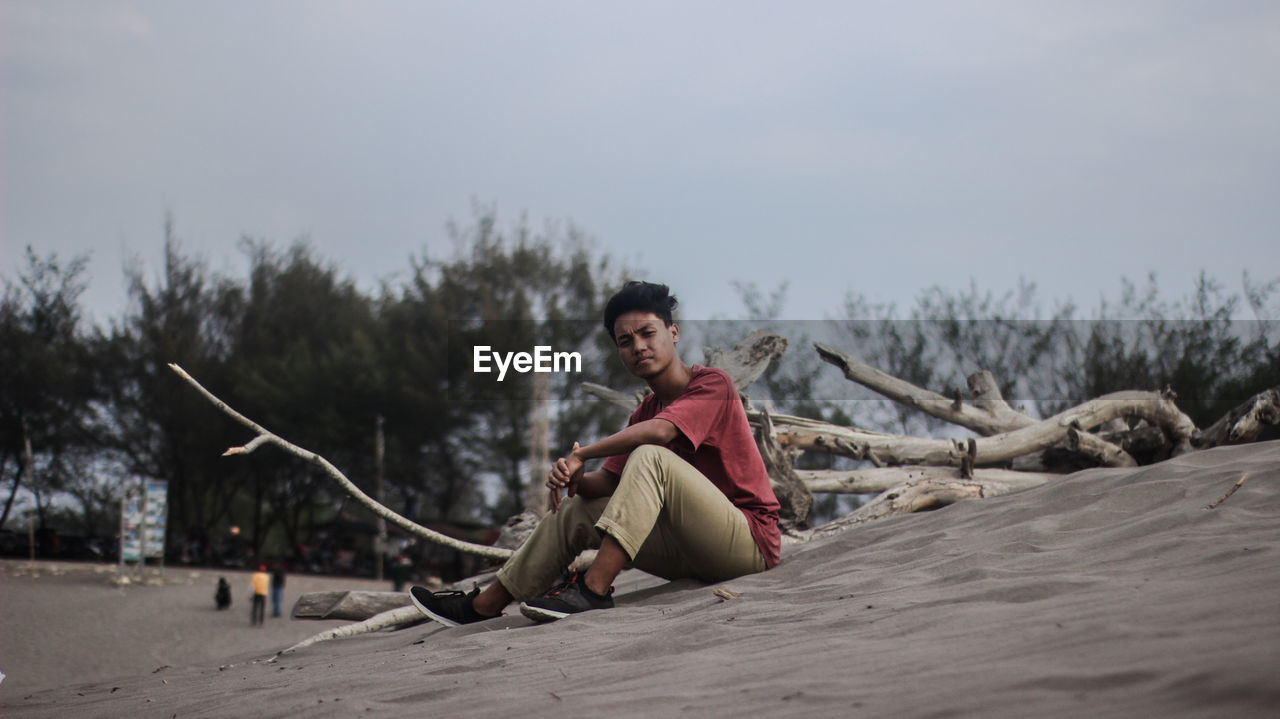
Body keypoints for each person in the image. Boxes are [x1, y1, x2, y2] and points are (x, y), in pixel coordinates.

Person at [411, 281, 780, 625]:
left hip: (747, 546)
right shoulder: (644, 411)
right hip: (691, 553)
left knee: (650, 455)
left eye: (648, 333)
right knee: (577, 507)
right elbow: (605, 483)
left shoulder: (712, 383)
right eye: (625, 341)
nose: (638, 347)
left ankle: (593, 590)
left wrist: (583, 451)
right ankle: (484, 605)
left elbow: (662, 432)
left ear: (674, 332)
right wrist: (576, 478)